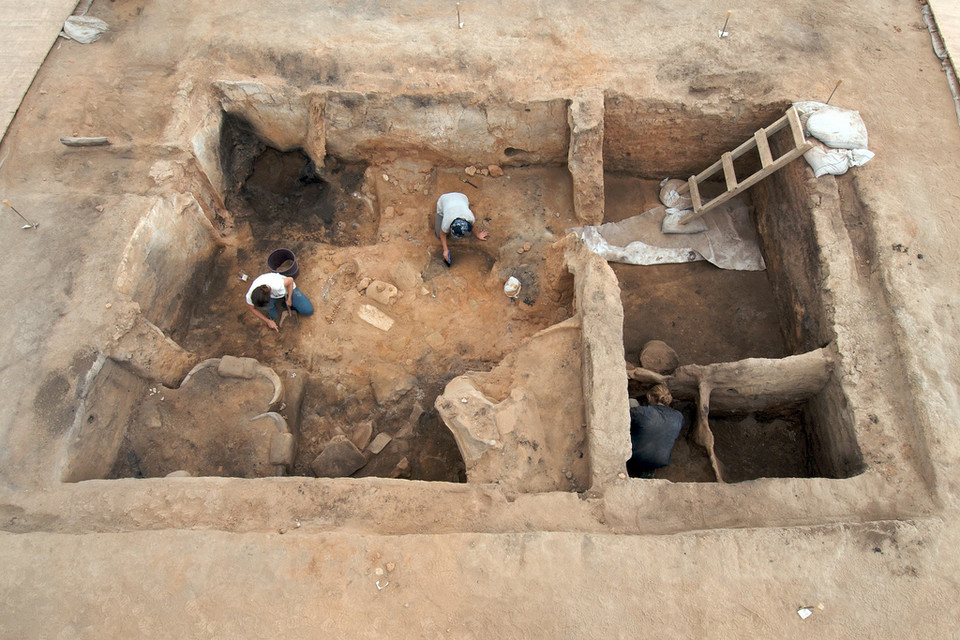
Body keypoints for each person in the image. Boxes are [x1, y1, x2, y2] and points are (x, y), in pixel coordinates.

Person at [627, 383, 684, 477]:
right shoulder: (679, 417)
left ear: (649, 397)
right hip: (660, 461)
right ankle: (648, 473)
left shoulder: (641, 412)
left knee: (632, 402)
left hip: (633, 457)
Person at [245, 272, 313, 331]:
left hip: (286, 290)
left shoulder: (277, 285)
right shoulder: (251, 296)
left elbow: (290, 280)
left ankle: (284, 302)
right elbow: (252, 308)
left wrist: (289, 299)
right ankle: (275, 311)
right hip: (272, 296)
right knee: (274, 316)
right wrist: (268, 321)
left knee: (308, 310)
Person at [434, 192, 488, 264]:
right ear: (451, 226)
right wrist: (445, 250)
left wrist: (478, 235)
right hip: (444, 199)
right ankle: (439, 214)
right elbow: (442, 234)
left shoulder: (470, 217)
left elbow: (473, 225)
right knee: (438, 234)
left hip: (462, 197)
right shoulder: (446, 222)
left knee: (468, 234)